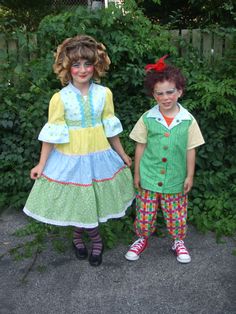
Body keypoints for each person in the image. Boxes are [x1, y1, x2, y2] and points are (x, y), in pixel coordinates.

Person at [23, 35, 134, 267]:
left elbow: (111, 128)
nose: (82, 70)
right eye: (76, 64)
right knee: (78, 199)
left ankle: (92, 240)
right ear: (67, 67)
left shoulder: (105, 94)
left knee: (91, 197)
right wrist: (41, 164)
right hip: (70, 157)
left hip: (98, 155)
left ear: (96, 65)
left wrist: (122, 154)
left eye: (87, 63)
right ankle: (84, 237)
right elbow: (52, 135)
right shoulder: (59, 98)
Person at [125, 55, 205, 263]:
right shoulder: (147, 118)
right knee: (144, 213)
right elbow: (140, 146)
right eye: (159, 93)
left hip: (176, 178)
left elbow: (190, 149)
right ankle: (142, 238)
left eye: (170, 92)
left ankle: (178, 240)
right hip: (149, 176)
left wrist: (189, 175)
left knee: (176, 214)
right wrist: (137, 174)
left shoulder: (188, 121)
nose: (166, 97)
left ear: (179, 91)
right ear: (154, 95)